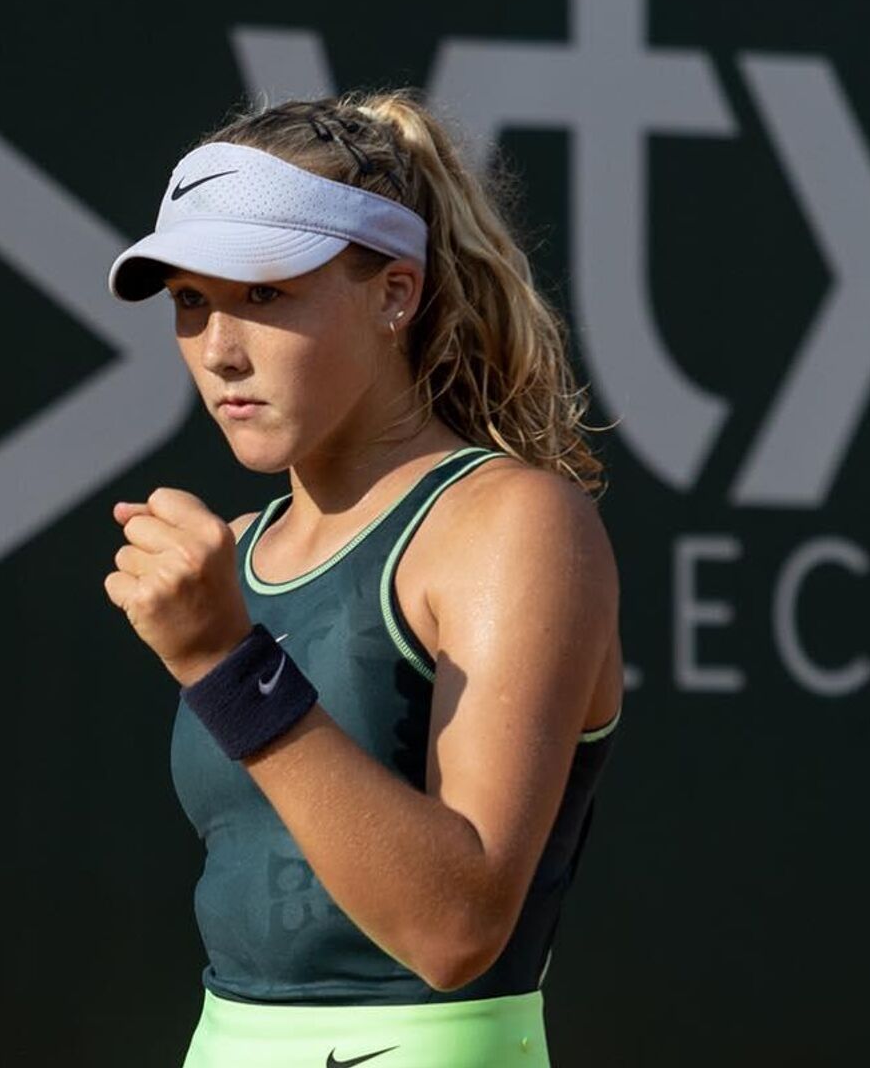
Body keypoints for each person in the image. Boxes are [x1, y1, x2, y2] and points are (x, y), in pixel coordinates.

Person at [100, 89, 623, 1068]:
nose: (219, 351)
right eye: (190, 302)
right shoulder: (238, 554)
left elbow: (457, 930)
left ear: (394, 294)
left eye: (264, 295)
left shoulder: (518, 524)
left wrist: (225, 664)